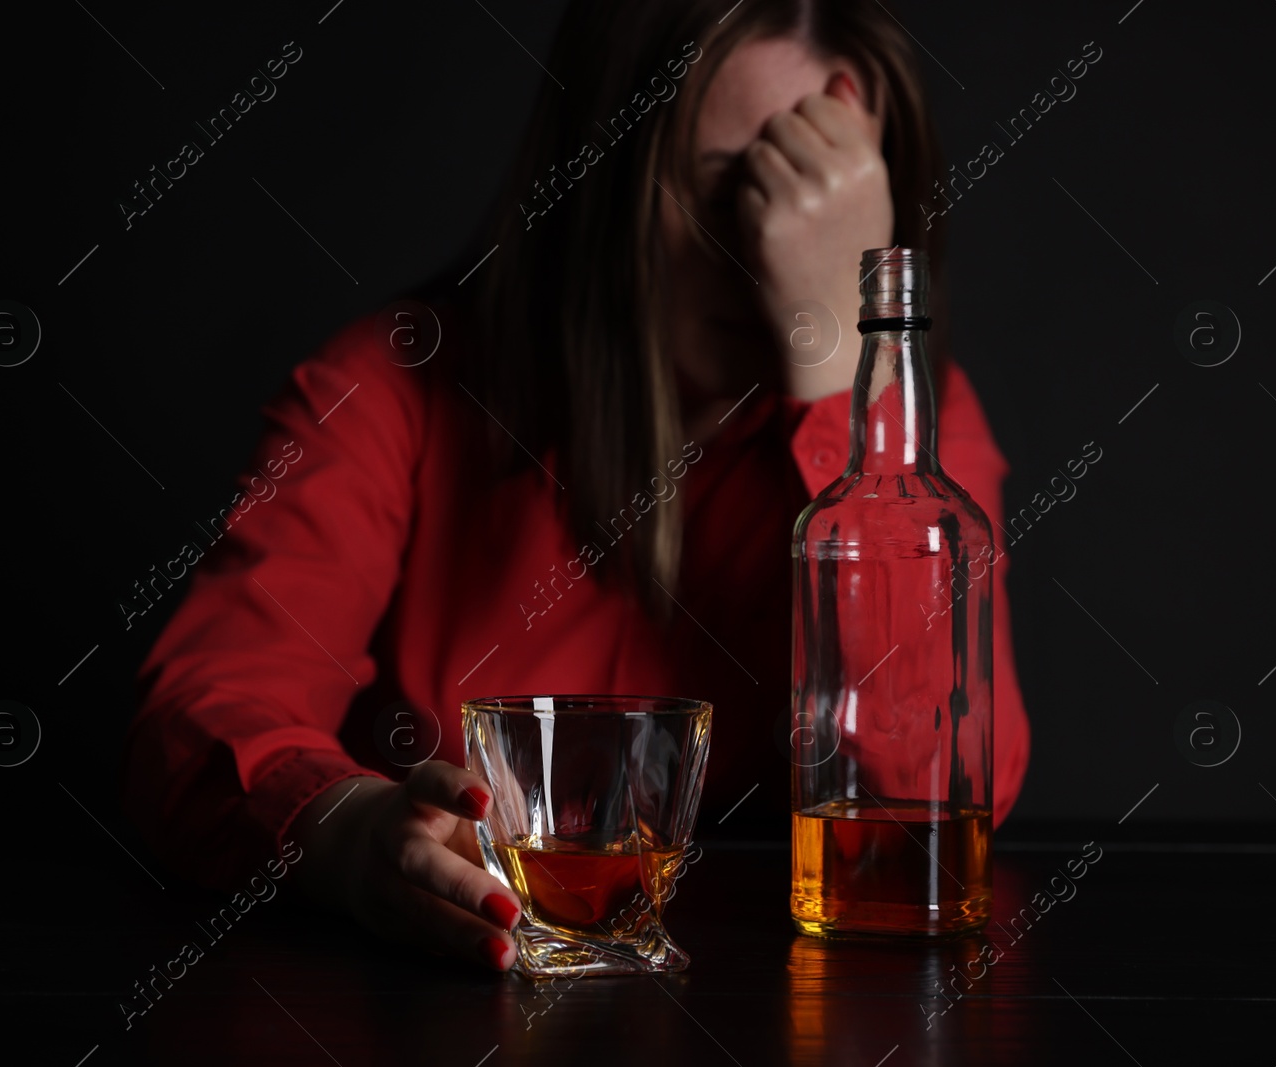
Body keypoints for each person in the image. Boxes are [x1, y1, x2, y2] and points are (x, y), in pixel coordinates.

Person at [121, 0, 1030, 974]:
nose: (775, 260)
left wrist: (842, 358)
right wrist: (344, 832)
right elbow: (202, 718)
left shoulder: (909, 446)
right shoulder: (394, 389)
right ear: (599, 175)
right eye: (734, 193)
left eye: (833, 216)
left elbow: (934, 786)